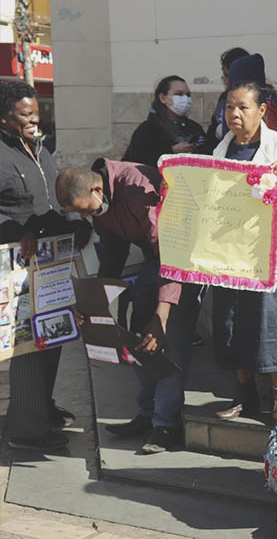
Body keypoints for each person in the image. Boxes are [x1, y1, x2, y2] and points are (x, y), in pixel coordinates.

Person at [56, 159, 202, 453]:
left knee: (168, 340)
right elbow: (113, 248)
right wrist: (94, 301)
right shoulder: (100, 201)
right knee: (138, 341)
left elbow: (171, 252)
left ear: (98, 189)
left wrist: (161, 315)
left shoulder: (137, 189)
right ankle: (147, 414)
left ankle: (166, 426)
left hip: (184, 259)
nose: (86, 216)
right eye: (80, 213)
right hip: (155, 259)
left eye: (86, 210)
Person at [212, 81, 277, 421]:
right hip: (234, 254)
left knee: (274, 324)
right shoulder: (221, 151)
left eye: (242, 107)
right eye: (229, 107)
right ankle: (244, 395)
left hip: (273, 252)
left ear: (262, 110)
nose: (234, 115)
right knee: (235, 322)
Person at [0, 80, 89, 452]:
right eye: (25, 114)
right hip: (16, 267)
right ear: (5, 117)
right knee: (27, 349)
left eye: (36, 112)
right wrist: (21, 233)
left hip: (50, 264)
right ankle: (26, 429)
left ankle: (40, 408)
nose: (34, 119)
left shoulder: (38, 148)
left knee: (50, 337)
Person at [122, 75, 207, 167]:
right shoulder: (148, 129)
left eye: (188, 95)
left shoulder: (194, 128)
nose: (185, 99)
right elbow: (138, 161)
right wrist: (171, 151)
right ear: (163, 98)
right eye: (179, 94)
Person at [205, 47, 250, 149]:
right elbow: (212, 130)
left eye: (227, 75)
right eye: (223, 76)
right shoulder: (224, 98)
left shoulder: (263, 97)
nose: (225, 81)